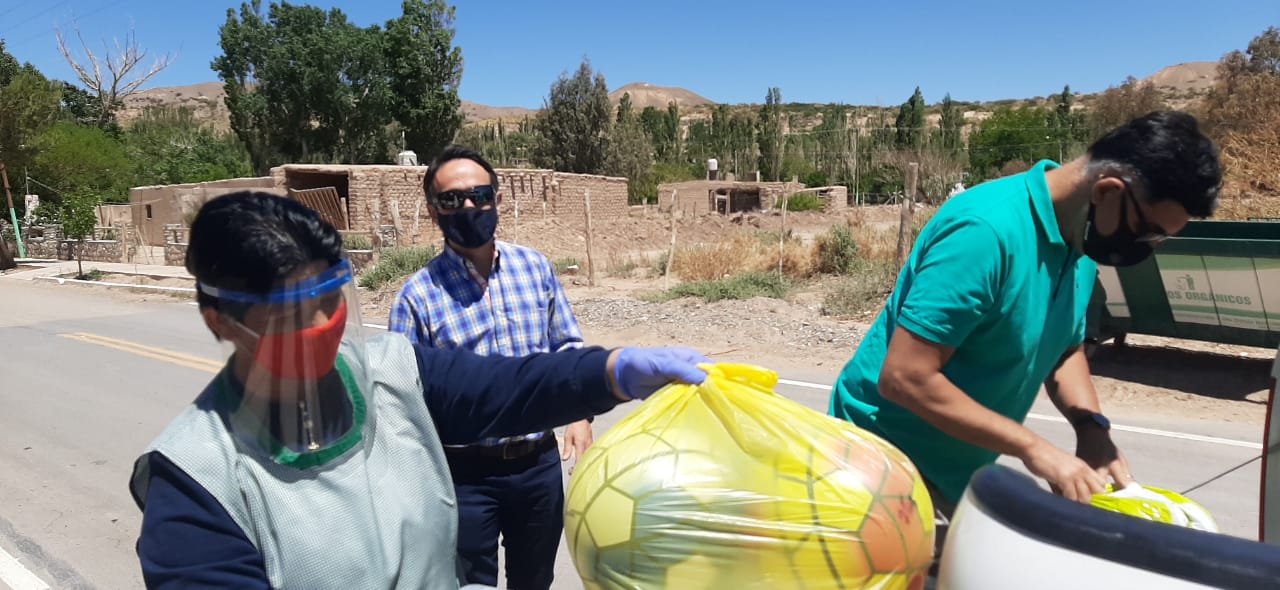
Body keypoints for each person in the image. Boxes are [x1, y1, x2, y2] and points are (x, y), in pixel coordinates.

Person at [128, 191, 710, 590]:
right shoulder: (196, 482)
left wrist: (611, 373)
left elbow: (502, 388)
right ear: (220, 322)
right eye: (287, 313)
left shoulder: (390, 371)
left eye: (329, 299)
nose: (320, 325)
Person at [827, 111, 1222, 562]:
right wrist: (1033, 448)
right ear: (1109, 191)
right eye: (1150, 233)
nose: (1147, 248)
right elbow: (904, 376)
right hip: (881, 461)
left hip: (959, 466)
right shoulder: (985, 232)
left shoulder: (1079, 238)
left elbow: (1064, 349)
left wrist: (1091, 428)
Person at [388, 145, 590, 590]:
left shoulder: (534, 269)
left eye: (480, 195)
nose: (468, 206)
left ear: (497, 199)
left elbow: (567, 347)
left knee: (535, 579)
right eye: (452, 199)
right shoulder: (417, 297)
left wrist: (578, 411)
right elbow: (399, 400)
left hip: (537, 466)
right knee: (468, 583)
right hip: (463, 477)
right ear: (432, 211)